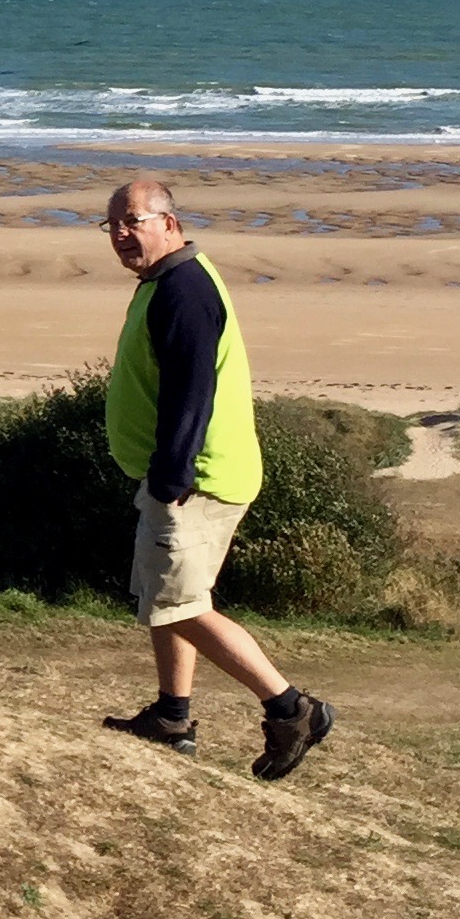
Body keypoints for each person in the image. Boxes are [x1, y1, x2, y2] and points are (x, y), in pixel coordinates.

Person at [99, 179, 333, 780]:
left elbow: (192, 390)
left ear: (169, 223)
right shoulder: (167, 281)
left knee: (175, 605)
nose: (121, 234)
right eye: (112, 225)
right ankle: (171, 717)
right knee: (171, 597)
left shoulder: (184, 290)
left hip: (193, 481)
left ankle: (292, 709)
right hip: (186, 476)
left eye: (133, 221)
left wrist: (172, 474)